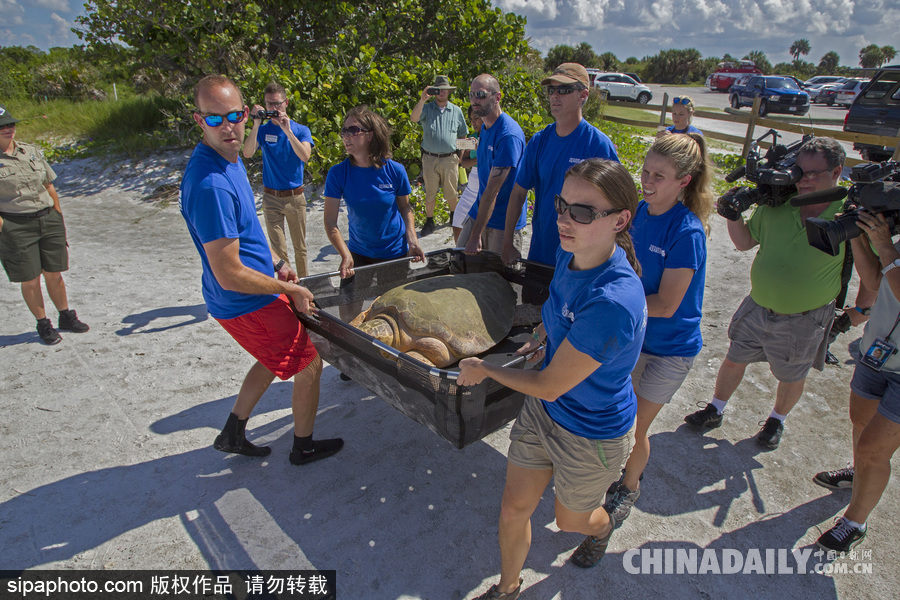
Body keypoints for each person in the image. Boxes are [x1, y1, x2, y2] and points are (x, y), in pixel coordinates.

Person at [459, 159, 647, 599]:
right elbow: (557, 310)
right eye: (562, 205)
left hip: (592, 432)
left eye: (583, 212)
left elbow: (549, 384)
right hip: (545, 415)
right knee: (513, 509)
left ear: (620, 220)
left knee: (571, 522)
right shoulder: (571, 253)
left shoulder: (613, 301)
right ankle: (507, 589)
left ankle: (603, 527)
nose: (564, 219)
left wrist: (484, 368)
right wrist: (544, 336)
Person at [179, 75, 342, 465]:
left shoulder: (228, 159)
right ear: (199, 120)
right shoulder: (211, 185)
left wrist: (279, 262)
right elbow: (229, 272)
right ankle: (303, 446)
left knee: (273, 356)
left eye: (234, 115)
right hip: (242, 300)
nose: (229, 126)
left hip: (252, 293)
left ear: (245, 111)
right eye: (215, 118)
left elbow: (248, 232)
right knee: (309, 362)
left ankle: (233, 431)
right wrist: (287, 291)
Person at [684, 137, 847, 449]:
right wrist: (733, 216)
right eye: (801, 171)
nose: (805, 180)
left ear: (837, 171)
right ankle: (715, 409)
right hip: (758, 304)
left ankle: (777, 419)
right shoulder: (778, 204)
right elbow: (744, 243)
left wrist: (861, 310)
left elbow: (867, 266)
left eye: (814, 173)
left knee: (791, 374)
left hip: (805, 315)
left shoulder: (848, 214)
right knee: (734, 358)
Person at [603, 133, 714, 526]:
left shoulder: (687, 232)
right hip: (635, 337)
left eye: (659, 176)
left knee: (634, 427)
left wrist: (604, 307)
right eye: (646, 171)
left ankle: (629, 488)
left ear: (684, 181)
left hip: (670, 348)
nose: (647, 181)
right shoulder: (635, 213)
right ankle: (608, 474)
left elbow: (666, 305)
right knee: (612, 416)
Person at [812, 208, 900, 552]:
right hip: (875, 353)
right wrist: (860, 237)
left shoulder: (893, 245)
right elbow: (877, 283)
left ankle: (855, 522)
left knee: (873, 448)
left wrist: (886, 248)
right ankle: (856, 474)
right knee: (860, 426)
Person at [502, 63, 620, 267]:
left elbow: (618, 207)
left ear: (583, 95)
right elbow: (518, 193)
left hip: (581, 263)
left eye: (564, 90)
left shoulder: (598, 145)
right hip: (541, 255)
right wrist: (506, 243)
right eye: (551, 90)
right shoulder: (539, 141)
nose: (555, 96)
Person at [323, 105, 425, 323]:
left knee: (394, 315)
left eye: (353, 130)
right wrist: (344, 254)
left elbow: (405, 208)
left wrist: (412, 240)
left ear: (370, 135)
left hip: (394, 254)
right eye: (344, 131)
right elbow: (330, 222)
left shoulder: (395, 170)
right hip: (358, 253)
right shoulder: (338, 173)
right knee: (347, 315)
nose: (346, 136)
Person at [0, 103, 89, 345]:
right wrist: (3, 228)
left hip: (47, 218)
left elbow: (48, 185)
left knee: (54, 272)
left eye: (10, 124)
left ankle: (65, 315)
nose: (8, 129)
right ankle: (43, 323)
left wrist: (57, 216)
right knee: (29, 278)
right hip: (16, 224)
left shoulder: (30, 151)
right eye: (2, 126)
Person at [242, 82, 314, 277]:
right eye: (269, 105)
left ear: (286, 103)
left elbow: (305, 156)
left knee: (300, 248)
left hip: (295, 197)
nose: (274, 109)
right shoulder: (264, 131)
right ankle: (288, 286)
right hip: (271, 197)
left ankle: (305, 283)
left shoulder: (300, 130)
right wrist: (256, 124)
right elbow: (247, 153)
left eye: (277, 104)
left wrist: (287, 131)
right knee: (278, 249)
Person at [457, 74, 527, 256]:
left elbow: (492, 191)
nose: (474, 100)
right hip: (479, 212)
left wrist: (476, 235)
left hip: (502, 223)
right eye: (471, 94)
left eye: (480, 95)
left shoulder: (508, 136)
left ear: (497, 97)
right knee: (458, 262)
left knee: (499, 279)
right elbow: (464, 161)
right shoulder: (485, 129)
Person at [410, 75, 469, 237]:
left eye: (444, 89)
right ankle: (430, 221)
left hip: (450, 158)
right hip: (429, 158)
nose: (441, 92)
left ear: (449, 91)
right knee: (430, 191)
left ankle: (453, 217)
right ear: (433, 91)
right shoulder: (427, 109)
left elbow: (463, 135)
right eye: (438, 89)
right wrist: (422, 100)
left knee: (451, 191)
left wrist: (459, 156)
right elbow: (414, 118)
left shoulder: (456, 110)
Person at [454, 106, 483, 244]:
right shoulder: (474, 138)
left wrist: (482, 150)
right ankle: (458, 256)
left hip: (485, 187)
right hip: (471, 187)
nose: (473, 122)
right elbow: (463, 163)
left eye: (476, 118)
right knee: (457, 222)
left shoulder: (492, 137)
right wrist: (469, 147)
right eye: (471, 119)